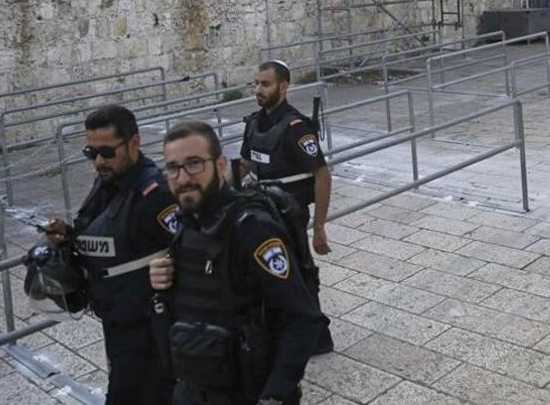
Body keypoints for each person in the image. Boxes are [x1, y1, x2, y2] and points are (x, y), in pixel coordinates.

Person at [149, 121, 327, 405]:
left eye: (194, 164)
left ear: (220, 164)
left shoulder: (251, 228)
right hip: (195, 390)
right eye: (173, 168)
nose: (182, 178)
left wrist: (275, 395)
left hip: (248, 392)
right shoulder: (187, 225)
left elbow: (302, 319)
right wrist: (161, 288)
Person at [44, 105, 179, 405]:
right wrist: (68, 234)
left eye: (106, 152)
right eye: (91, 153)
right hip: (116, 316)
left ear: (134, 144)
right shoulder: (108, 180)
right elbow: (103, 233)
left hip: (147, 328)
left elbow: (192, 249)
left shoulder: (154, 194)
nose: (99, 162)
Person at [237, 60, 334, 353]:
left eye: (265, 84)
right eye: (255, 83)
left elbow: (322, 174)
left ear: (283, 86)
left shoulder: (296, 127)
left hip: (290, 214)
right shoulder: (254, 123)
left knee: (299, 276)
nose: (258, 90)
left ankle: (317, 337)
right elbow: (244, 164)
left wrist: (319, 227)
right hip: (261, 211)